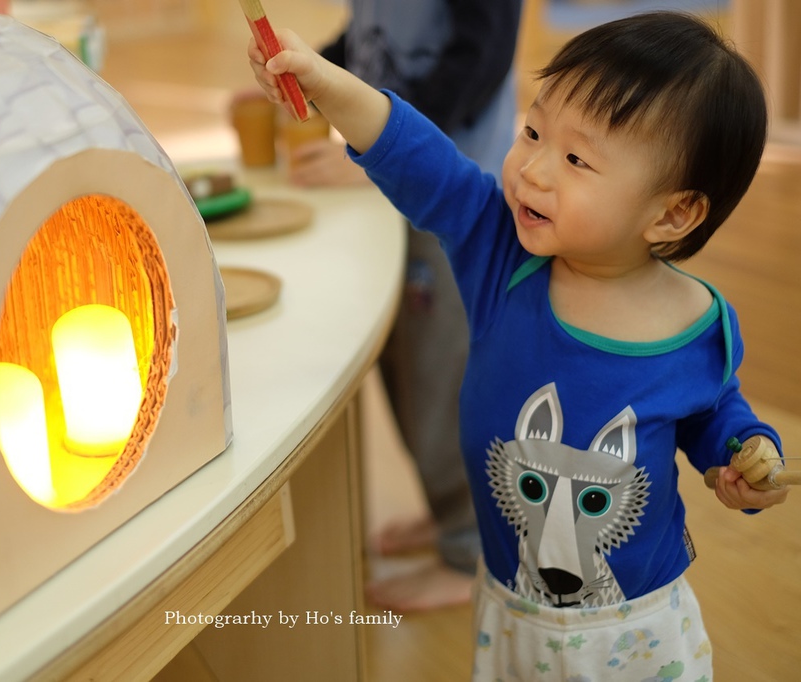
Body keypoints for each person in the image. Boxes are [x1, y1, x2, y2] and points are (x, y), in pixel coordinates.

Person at [248, 11, 789, 679]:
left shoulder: (695, 321)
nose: (531, 169)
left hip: (637, 632)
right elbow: (425, 161)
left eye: (575, 159)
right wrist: (327, 82)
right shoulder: (501, 254)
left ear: (672, 213)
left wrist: (745, 450)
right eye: (532, 131)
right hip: (511, 610)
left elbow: (713, 412)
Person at [287, 0, 522, 613]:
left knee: (443, 371)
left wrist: (387, 155)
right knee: (403, 360)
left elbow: (480, 59)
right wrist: (310, 69)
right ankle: (446, 507)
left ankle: (471, 548)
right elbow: (369, 41)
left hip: (454, 193)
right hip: (399, 173)